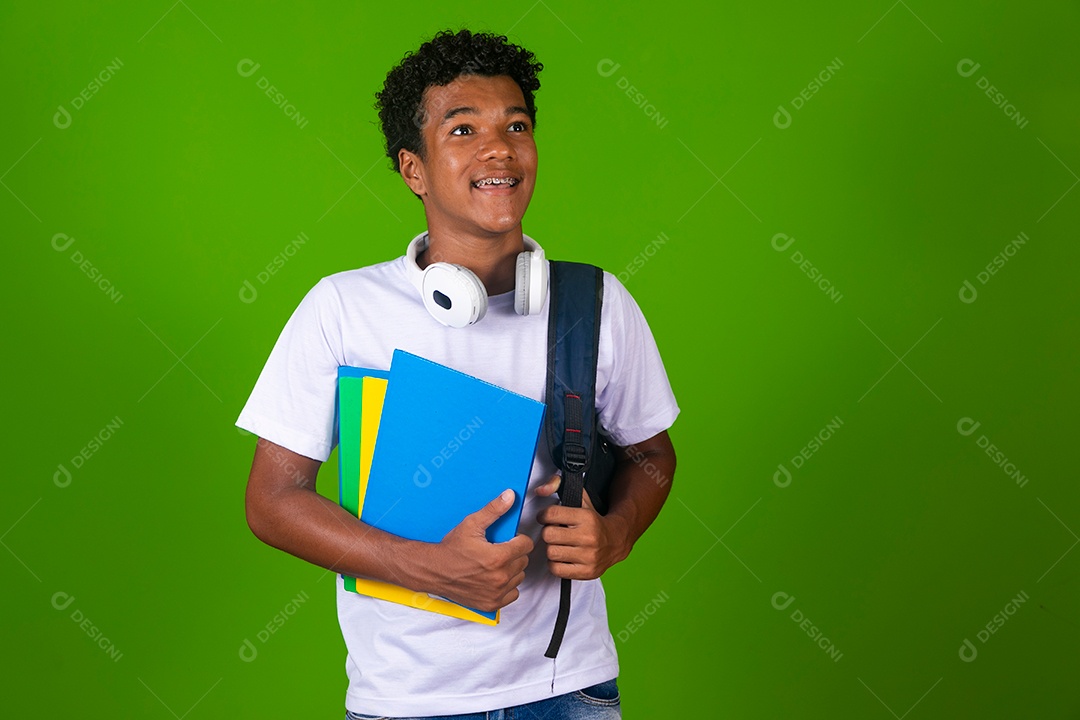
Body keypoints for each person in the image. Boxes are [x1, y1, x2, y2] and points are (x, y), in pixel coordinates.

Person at [237, 28, 679, 719]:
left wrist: (617, 531)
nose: (498, 147)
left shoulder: (592, 302)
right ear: (414, 170)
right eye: (463, 128)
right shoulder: (344, 308)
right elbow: (272, 501)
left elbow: (650, 453)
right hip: (408, 700)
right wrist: (429, 568)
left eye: (517, 125)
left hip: (569, 690)